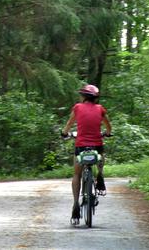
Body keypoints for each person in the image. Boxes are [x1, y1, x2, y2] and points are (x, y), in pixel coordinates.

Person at [61, 84, 112, 222]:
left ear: (83, 96)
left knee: (76, 174)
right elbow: (108, 127)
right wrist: (107, 133)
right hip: (96, 145)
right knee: (101, 154)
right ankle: (100, 175)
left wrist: (65, 133)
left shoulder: (77, 107)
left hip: (81, 146)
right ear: (95, 98)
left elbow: (69, 123)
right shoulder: (100, 109)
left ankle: (75, 204)